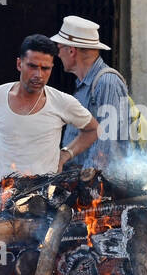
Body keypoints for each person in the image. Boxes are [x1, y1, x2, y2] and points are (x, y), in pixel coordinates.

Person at [0, 34, 99, 181]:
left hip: (45, 194)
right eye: (32, 66)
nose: (39, 75)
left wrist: (65, 155)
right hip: (3, 193)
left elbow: (94, 129)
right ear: (19, 64)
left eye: (45, 68)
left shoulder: (62, 101)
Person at [51, 15, 131, 170]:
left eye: (59, 48)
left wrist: (88, 180)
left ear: (72, 51)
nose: (58, 54)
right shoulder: (84, 84)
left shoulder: (107, 82)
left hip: (97, 186)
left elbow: (106, 142)